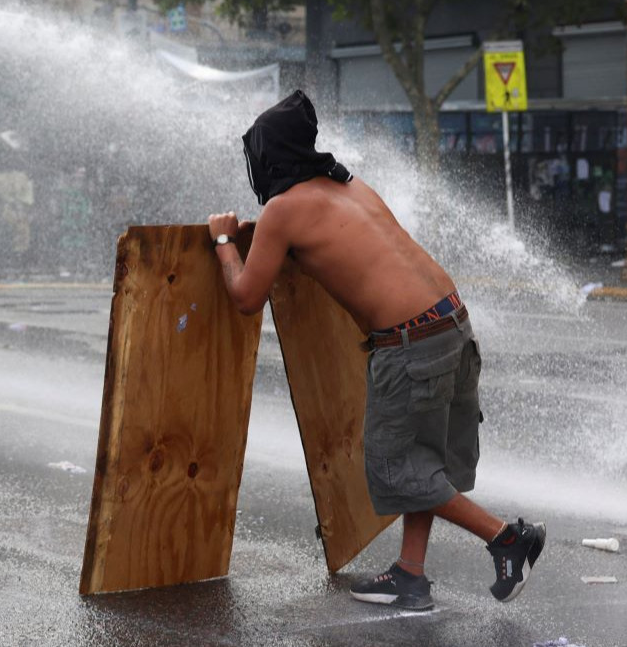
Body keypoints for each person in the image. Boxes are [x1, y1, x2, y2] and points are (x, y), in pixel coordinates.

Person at [207, 90, 544, 613]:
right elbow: (334, 245)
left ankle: (506, 539)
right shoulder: (349, 184)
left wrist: (224, 242)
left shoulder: (282, 209)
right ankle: (410, 578)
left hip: (410, 343)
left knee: (395, 469)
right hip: (450, 320)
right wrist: (268, 238)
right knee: (423, 461)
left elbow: (247, 297)